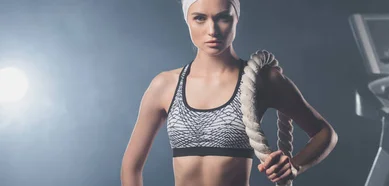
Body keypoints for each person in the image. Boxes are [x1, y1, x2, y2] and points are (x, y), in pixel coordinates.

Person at [120, 0, 338, 185]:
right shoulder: (165, 85)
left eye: (223, 18)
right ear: (187, 19)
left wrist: (294, 166)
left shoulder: (262, 80)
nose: (212, 30)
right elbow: (131, 167)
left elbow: (325, 134)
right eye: (200, 18)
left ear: (236, 19)